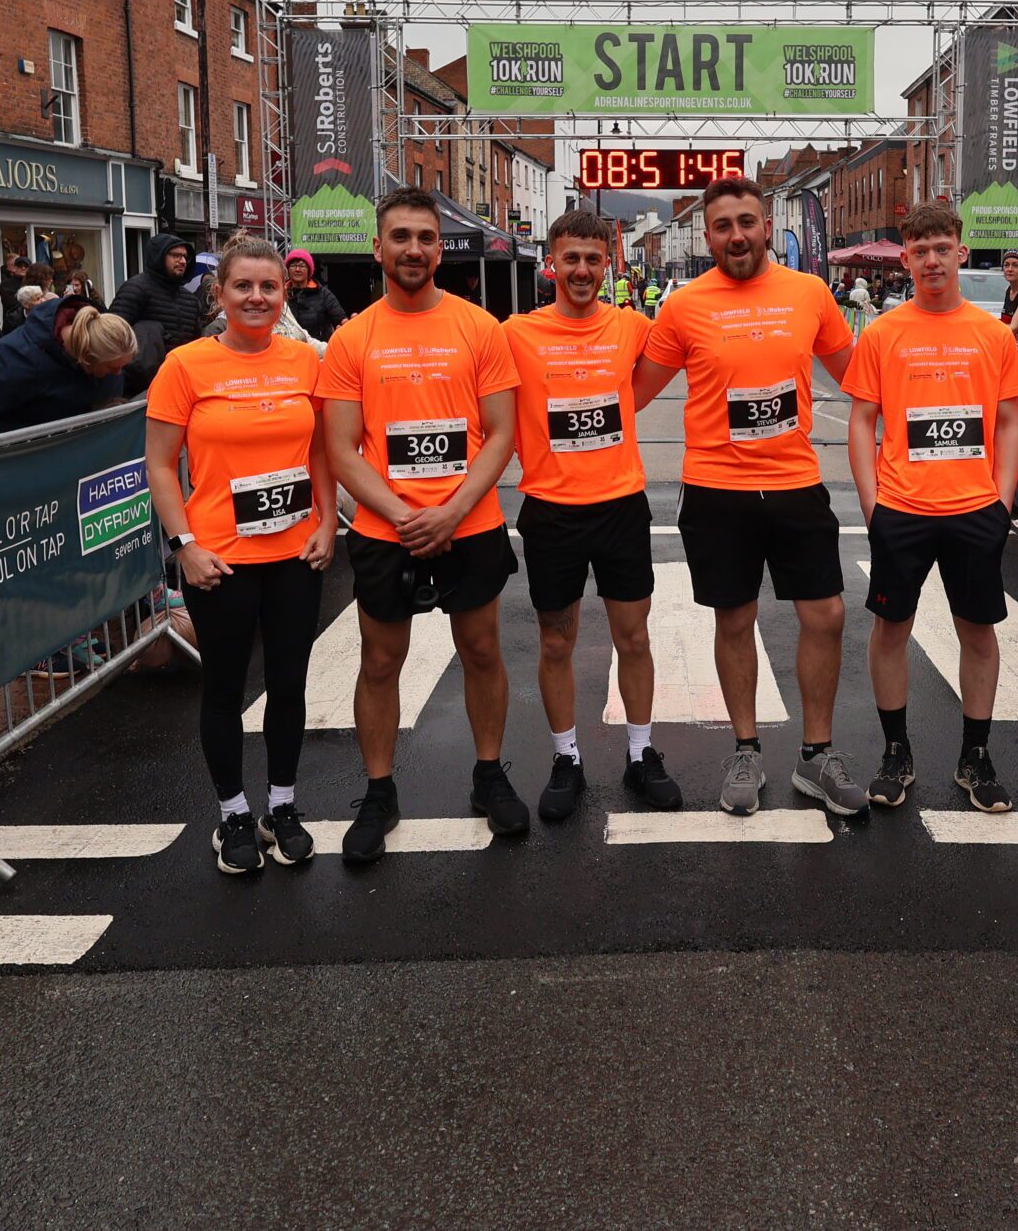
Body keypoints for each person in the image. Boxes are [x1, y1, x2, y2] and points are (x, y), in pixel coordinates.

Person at [634, 177, 862, 817]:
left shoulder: (810, 293)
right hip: (717, 492)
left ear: (767, 227)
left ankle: (817, 757)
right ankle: (746, 749)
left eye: (748, 222)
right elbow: (632, 392)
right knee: (734, 620)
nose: (737, 235)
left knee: (827, 616)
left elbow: (858, 374)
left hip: (795, 486)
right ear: (707, 235)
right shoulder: (682, 306)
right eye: (723, 225)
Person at [317, 189, 525, 862]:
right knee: (380, 661)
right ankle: (380, 790)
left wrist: (454, 509)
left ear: (441, 248)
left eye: (425, 237)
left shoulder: (480, 327)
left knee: (483, 652)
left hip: (470, 523)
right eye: (400, 236)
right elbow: (341, 448)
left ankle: (489, 773)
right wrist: (405, 513)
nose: (413, 249)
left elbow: (501, 433)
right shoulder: (353, 337)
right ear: (378, 248)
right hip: (388, 531)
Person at [144, 237, 337, 875]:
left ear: (285, 294)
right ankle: (231, 814)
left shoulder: (306, 362)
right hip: (218, 559)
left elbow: (321, 452)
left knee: (287, 685)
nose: (256, 298)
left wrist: (327, 521)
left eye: (268, 287)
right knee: (224, 690)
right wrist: (185, 547)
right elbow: (161, 467)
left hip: (294, 553)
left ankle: (280, 806)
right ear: (220, 294)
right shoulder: (185, 366)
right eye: (243, 287)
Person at [843, 204, 1018, 813]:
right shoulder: (884, 333)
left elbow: (1008, 422)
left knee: (978, 631)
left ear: (961, 254)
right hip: (902, 509)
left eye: (942, 248)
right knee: (891, 630)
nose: (932, 260)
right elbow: (862, 421)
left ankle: (976, 756)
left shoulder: (994, 335)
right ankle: (897, 752)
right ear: (905, 260)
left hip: (975, 510)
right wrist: (873, 507)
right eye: (920, 251)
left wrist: (1001, 502)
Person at [502, 207, 679, 820]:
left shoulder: (632, 327)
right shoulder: (516, 334)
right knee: (557, 641)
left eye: (592, 259)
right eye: (570, 259)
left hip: (621, 507)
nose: (581, 270)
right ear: (551, 263)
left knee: (634, 636)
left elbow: (648, 386)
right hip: (551, 511)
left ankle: (640, 753)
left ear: (608, 265)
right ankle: (565, 758)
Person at [0, 296, 138, 439]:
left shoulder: (105, 349)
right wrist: (37, 435)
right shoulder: (15, 359)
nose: (118, 374)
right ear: (86, 358)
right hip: (19, 469)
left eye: (122, 367)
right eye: (112, 368)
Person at [114, 233, 208, 390]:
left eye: (185, 256)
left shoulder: (190, 300)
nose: (183, 261)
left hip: (180, 381)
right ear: (159, 256)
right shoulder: (136, 288)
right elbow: (113, 334)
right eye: (176, 255)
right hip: (139, 387)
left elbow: (196, 342)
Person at [285, 249, 347, 342]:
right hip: (288, 351)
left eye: (302, 266)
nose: (297, 269)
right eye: (293, 266)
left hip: (318, 351)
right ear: (288, 270)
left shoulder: (324, 294)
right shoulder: (280, 294)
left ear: (309, 271)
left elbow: (341, 321)